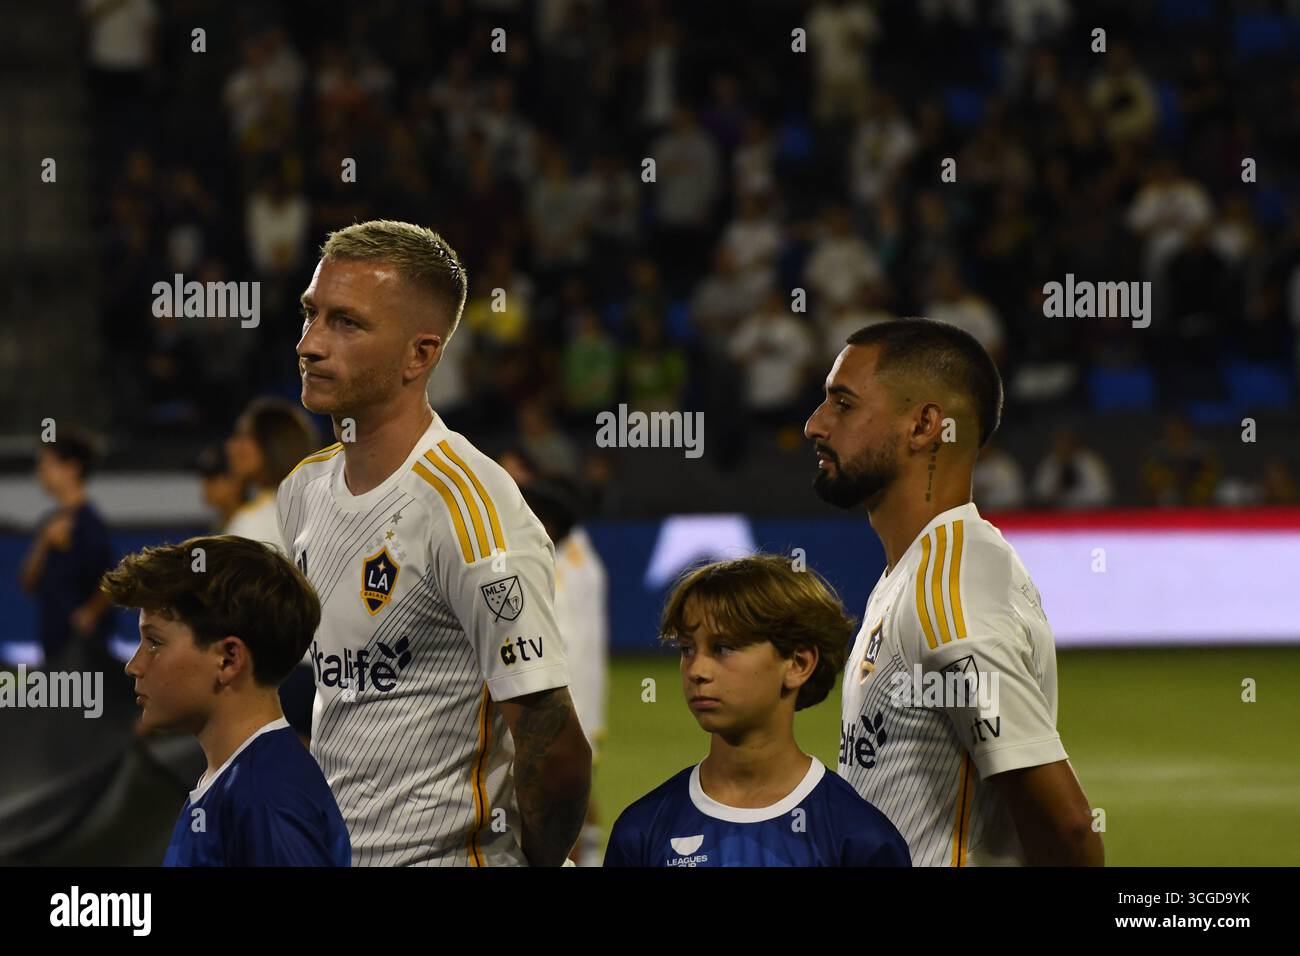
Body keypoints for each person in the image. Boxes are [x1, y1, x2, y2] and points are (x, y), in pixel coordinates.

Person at [281, 219, 590, 866]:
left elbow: (553, 745)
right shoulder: (303, 491)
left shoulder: (469, 508)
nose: (310, 345)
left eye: (347, 323)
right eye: (311, 315)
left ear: (419, 356)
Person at [804, 317, 1103, 866]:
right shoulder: (918, 572)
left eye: (843, 404)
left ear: (924, 426)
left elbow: (1070, 830)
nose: (814, 424)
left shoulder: (948, 594)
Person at [604, 555, 910, 867]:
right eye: (687, 649)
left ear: (798, 664)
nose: (696, 670)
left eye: (723, 648)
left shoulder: (859, 841)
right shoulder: (640, 834)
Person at [101, 535, 350, 867]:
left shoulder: (264, 797)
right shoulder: (240, 781)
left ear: (229, 659)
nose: (134, 665)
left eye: (154, 642)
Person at [19, 428, 116, 670]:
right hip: (53, 647)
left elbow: (112, 579)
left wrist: (88, 615)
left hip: (82, 654)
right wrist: (44, 542)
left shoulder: (89, 524)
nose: (40, 471)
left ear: (72, 468)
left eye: (48, 463)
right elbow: (28, 583)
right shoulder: (49, 523)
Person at [224, 397, 321, 547]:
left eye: (243, 436)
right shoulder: (320, 506)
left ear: (273, 444)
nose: (231, 447)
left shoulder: (253, 522)